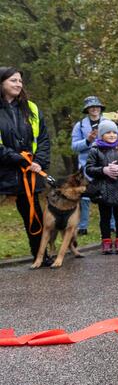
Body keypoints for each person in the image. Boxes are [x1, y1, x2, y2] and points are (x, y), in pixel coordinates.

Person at [0, 67, 53, 266]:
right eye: (13, 80)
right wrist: (19, 159)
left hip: (28, 174)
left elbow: (44, 139)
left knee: (34, 215)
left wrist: (38, 161)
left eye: (20, 81)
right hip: (5, 169)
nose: (18, 84)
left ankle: (40, 256)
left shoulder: (31, 108)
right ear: (2, 83)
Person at [71, 95, 118, 235]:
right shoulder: (80, 125)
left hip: (110, 165)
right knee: (86, 197)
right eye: (91, 107)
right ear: (87, 109)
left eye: (97, 106)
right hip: (89, 167)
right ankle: (83, 226)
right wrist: (87, 140)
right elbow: (74, 147)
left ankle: (112, 225)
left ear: (100, 108)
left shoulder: (109, 121)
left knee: (110, 194)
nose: (94, 109)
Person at [85, 120, 118, 254]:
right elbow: (89, 169)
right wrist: (104, 170)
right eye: (108, 132)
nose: (112, 135)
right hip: (103, 190)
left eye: (114, 132)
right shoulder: (95, 150)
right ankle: (106, 241)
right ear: (101, 135)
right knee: (105, 217)